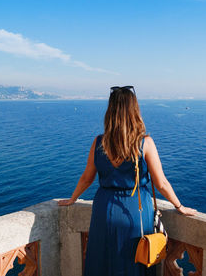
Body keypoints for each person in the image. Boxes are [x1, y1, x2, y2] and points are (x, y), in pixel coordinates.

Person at [58, 86, 197, 276]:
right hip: (135, 211)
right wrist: (179, 206)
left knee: (102, 261)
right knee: (134, 262)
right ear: (134, 110)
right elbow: (161, 183)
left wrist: (72, 199)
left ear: (111, 112)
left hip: (103, 209)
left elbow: (86, 178)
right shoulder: (145, 143)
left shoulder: (99, 142)